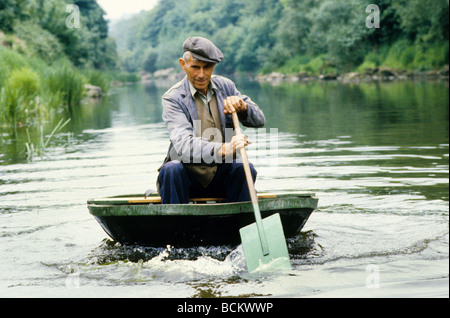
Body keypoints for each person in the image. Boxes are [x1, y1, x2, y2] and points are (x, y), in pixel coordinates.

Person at [157, 37, 265, 204]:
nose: (201, 74)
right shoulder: (173, 98)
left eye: (207, 67)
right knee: (171, 170)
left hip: (221, 177)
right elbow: (184, 145)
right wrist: (224, 148)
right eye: (195, 67)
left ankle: (240, 224)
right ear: (183, 65)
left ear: (214, 66)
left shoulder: (226, 86)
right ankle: (177, 227)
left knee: (244, 167)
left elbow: (260, 120)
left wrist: (243, 106)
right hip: (187, 178)